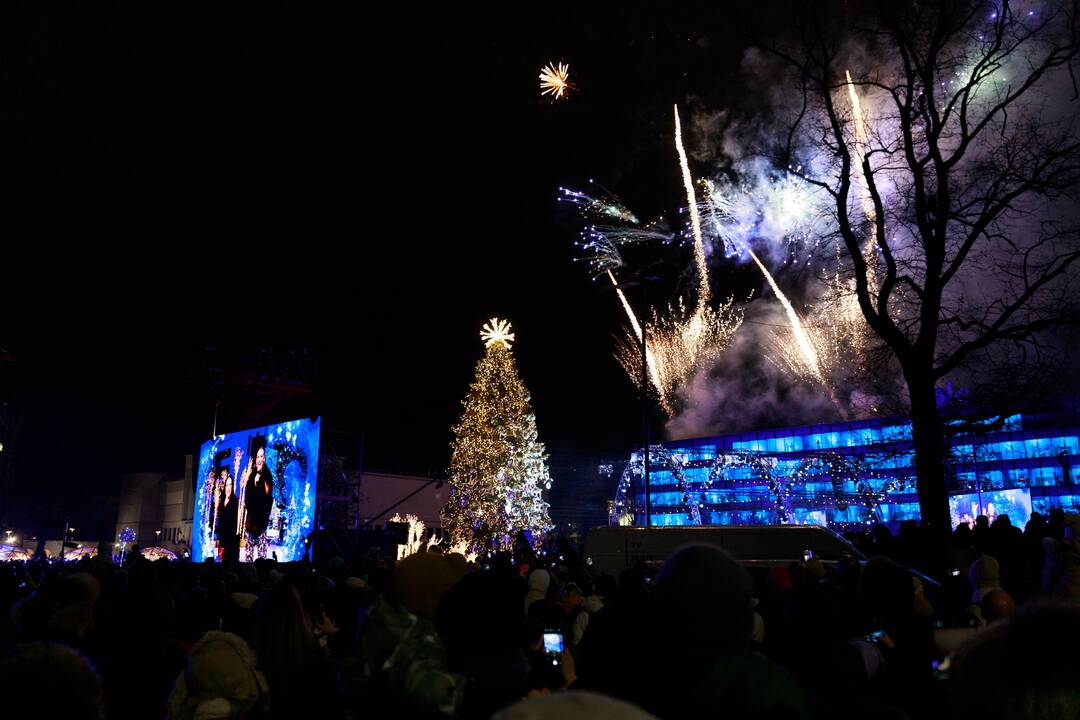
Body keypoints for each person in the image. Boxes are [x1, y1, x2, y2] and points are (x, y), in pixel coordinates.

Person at [242, 439, 274, 562]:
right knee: (248, 558)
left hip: (261, 524)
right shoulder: (251, 475)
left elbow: (268, 498)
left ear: (264, 458)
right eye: (258, 456)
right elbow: (247, 496)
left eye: (262, 456)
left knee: (262, 558)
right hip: (250, 523)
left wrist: (263, 515)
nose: (259, 459)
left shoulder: (267, 475)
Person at [215, 471, 241, 564]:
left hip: (232, 539)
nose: (228, 487)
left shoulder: (236, 502)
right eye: (227, 485)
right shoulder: (221, 502)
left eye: (230, 484)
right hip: (222, 538)